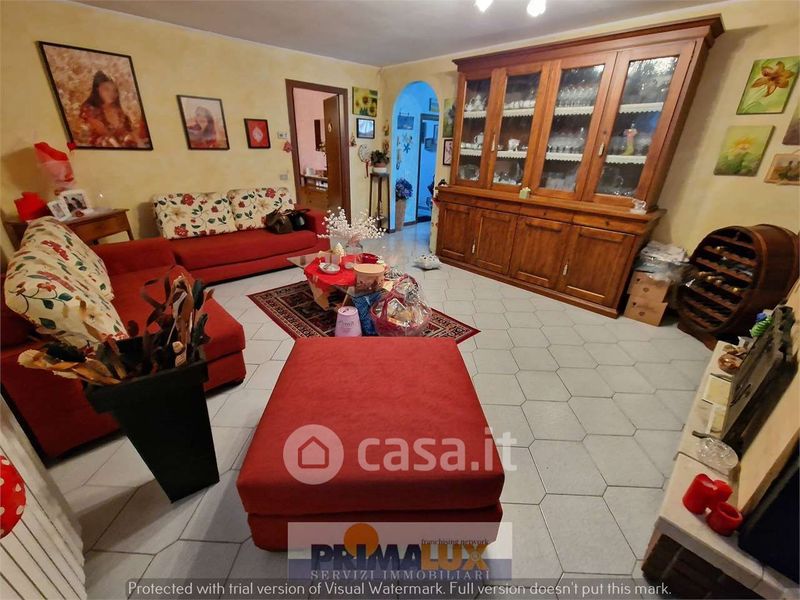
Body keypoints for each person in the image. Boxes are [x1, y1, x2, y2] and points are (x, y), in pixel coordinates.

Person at [79, 71, 140, 148]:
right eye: (106, 89)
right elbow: (104, 133)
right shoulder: (89, 108)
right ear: (97, 89)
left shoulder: (120, 111)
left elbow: (129, 132)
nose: (111, 94)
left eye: (115, 90)